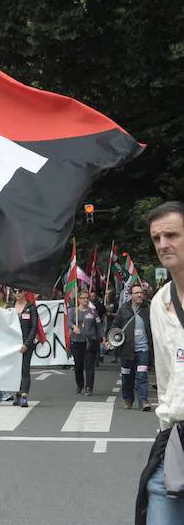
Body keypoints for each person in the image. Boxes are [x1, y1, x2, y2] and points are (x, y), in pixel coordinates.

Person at [134, 202, 184, 524]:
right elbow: (164, 375)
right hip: (176, 438)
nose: (163, 244)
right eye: (157, 238)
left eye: (172, 235)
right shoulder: (159, 302)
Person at [113, 283, 153, 410]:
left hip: (143, 350)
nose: (140, 295)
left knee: (142, 376)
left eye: (141, 292)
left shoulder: (148, 309)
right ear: (131, 295)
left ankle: (143, 402)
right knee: (127, 376)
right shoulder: (123, 310)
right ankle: (128, 400)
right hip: (126, 350)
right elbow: (115, 327)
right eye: (137, 293)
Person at [69, 289, 105, 396]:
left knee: (89, 365)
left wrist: (103, 338)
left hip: (90, 342)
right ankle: (80, 385)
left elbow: (99, 326)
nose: (85, 300)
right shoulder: (73, 311)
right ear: (78, 299)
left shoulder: (93, 312)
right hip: (77, 341)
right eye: (83, 298)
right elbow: (68, 322)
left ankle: (89, 387)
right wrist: (73, 326)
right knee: (78, 366)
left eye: (87, 298)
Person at [11, 288, 39, 408]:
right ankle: (17, 394)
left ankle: (24, 396)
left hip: (26, 345)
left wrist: (26, 344)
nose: (17, 293)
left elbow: (34, 327)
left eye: (20, 291)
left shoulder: (31, 307)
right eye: (15, 291)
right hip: (12, 345)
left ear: (24, 293)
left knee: (24, 370)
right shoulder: (10, 307)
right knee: (14, 371)